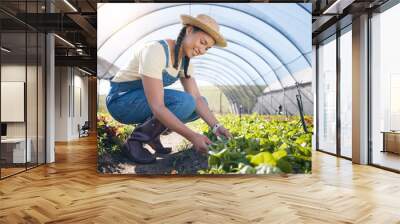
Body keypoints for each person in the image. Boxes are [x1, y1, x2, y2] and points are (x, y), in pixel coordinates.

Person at [106, 14, 232, 164]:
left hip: (140, 100)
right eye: (202, 42)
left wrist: (217, 127)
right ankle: (134, 142)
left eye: (207, 48)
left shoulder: (186, 62)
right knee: (185, 102)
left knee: (198, 103)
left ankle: (152, 137)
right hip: (121, 101)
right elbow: (157, 106)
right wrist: (193, 136)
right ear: (189, 30)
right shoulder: (155, 51)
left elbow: (197, 98)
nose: (203, 50)